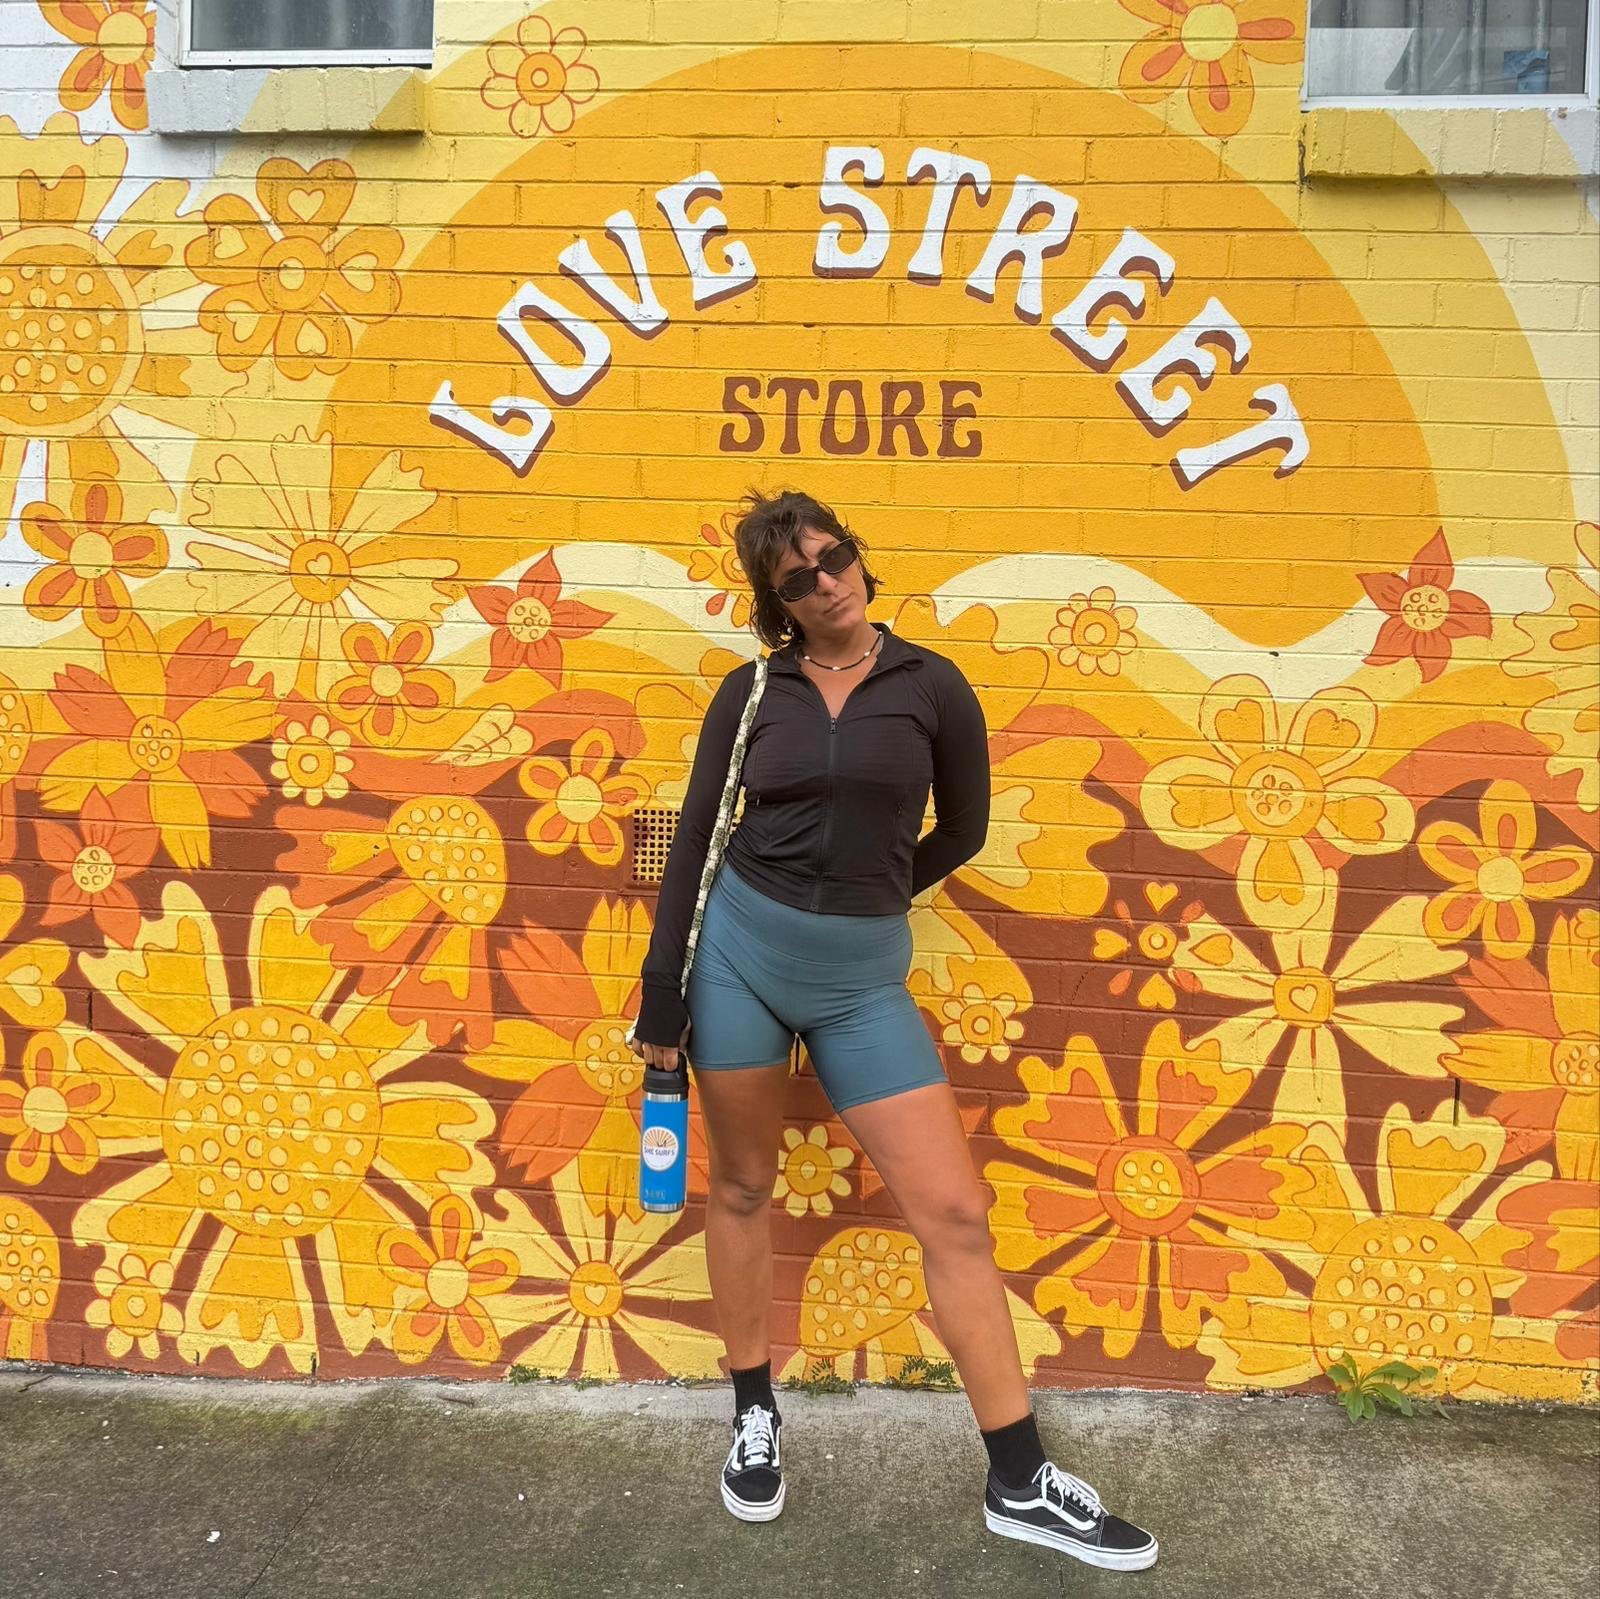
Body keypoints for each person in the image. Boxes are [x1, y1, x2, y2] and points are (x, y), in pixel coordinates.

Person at [630, 490, 1158, 1572]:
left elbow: (964, 828)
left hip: (862, 981)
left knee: (955, 1214)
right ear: (776, 604)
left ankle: (1019, 1479)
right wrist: (660, 993)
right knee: (742, 1186)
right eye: (797, 577)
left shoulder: (932, 685)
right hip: (737, 958)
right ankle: (753, 1412)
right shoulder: (752, 692)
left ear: (859, 560)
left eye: (834, 558)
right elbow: (696, 839)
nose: (825, 581)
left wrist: (875, 889)